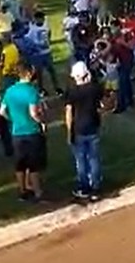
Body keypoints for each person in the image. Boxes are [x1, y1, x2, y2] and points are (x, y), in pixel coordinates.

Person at [0, 64, 47, 201]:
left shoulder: (10, 91)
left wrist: (13, 120)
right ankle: (37, 191)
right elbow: (33, 113)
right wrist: (41, 122)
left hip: (16, 132)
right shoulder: (31, 91)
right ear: (28, 73)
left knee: (20, 163)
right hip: (31, 131)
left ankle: (23, 191)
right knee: (33, 163)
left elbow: (2, 111)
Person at [64, 61, 105, 201]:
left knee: (81, 160)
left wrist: (69, 131)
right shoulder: (95, 88)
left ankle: (84, 186)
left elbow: (69, 113)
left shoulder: (72, 92)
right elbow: (102, 106)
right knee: (94, 158)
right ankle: (96, 186)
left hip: (78, 129)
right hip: (93, 126)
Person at [27, 12, 61, 96]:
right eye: (39, 18)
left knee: (52, 71)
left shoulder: (46, 26)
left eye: (42, 18)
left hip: (47, 52)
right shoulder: (32, 29)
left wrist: (47, 43)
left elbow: (49, 34)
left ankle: (57, 88)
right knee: (39, 73)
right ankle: (41, 89)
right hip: (38, 54)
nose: (41, 20)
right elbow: (29, 40)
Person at [0, 31, 20, 96]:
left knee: (4, 93)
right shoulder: (14, 47)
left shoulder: (5, 51)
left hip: (7, 75)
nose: (0, 40)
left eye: (1, 38)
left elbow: (3, 64)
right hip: (15, 73)